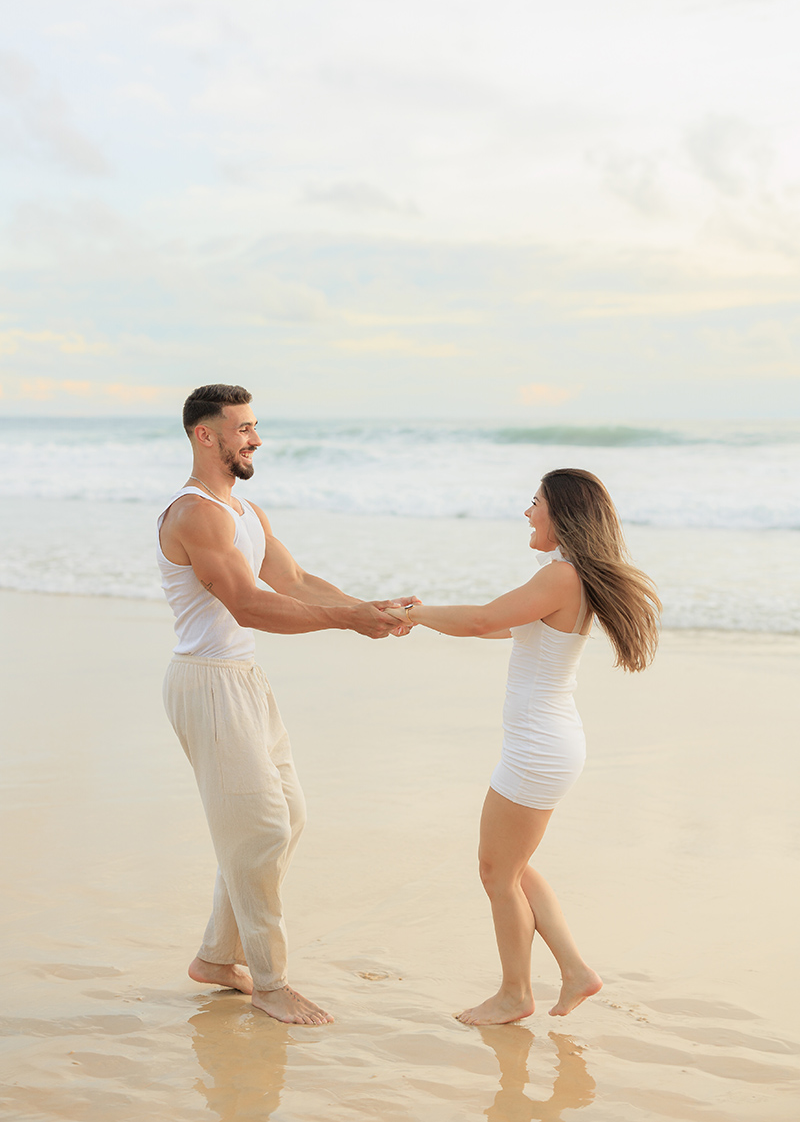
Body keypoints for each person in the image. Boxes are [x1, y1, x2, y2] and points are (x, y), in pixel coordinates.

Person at [158, 384, 416, 1026]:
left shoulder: (245, 512)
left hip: (244, 678)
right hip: (207, 681)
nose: (256, 439)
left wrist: (368, 608)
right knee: (260, 829)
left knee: (286, 817)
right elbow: (247, 604)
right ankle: (270, 981)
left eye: (255, 426)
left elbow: (294, 583)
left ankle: (218, 957)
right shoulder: (195, 515)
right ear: (205, 435)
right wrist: (345, 621)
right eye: (243, 428)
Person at [385, 468, 661, 1026]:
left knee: (497, 873)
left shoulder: (562, 576)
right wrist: (425, 618)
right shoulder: (564, 578)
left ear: (561, 513)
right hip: (544, 743)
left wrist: (413, 613)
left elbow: (482, 618)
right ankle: (576, 972)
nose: (527, 512)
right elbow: (497, 628)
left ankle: (515, 994)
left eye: (534, 502)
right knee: (511, 866)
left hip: (540, 748)